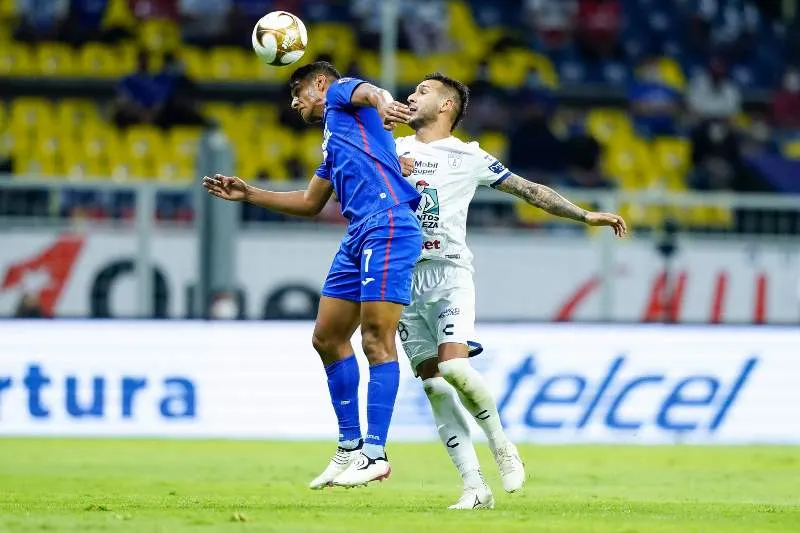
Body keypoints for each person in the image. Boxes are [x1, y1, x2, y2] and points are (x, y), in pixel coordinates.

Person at [393, 73, 627, 509]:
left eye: (422, 91)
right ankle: (474, 487)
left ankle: (502, 445)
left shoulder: (469, 156)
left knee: (456, 369)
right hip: (402, 277)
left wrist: (584, 215)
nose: (410, 95)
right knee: (434, 387)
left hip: (449, 274)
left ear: (446, 106)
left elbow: (530, 191)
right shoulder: (391, 148)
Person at [202, 61, 422, 488]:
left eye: (297, 91)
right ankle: (350, 446)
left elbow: (369, 91)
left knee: (376, 338)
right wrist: (249, 193)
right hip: (358, 233)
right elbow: (309, 202)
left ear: (319, 83)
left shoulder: (339, 95)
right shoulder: (335, 143)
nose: (294, 102)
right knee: (327, 337)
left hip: (389, 222)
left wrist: (384, 102)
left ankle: (376, 454)